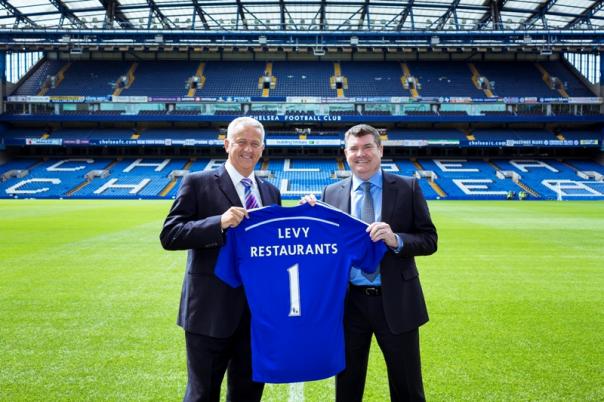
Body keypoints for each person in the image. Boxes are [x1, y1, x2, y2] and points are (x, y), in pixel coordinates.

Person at [306, 124, 437, 401]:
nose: (360, 154)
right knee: (348, 386)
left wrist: (396, 240)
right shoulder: (331, 193)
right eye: (354, 148)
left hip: (397, 301)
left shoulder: (407, 187)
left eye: (367, 147)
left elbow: (429, 240)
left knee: (407, 387)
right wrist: (309, 213)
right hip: (349, 304)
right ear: (345, 153)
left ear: (380, 150)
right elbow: (325, 246)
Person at [160, 116, 281, 402]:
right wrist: (219, 223)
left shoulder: (270, 192)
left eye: (255, 144)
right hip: (209, 313)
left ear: (262, 149)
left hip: (256, 315)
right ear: (227, 144)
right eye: (241, 142)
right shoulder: (198, 182)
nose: (248, 149)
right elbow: (170, 235)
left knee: (248, 394)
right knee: (202, 394)